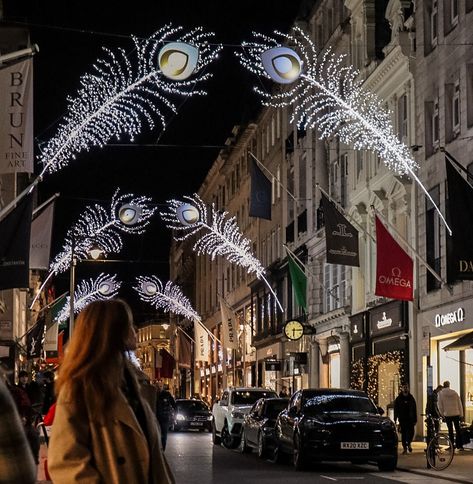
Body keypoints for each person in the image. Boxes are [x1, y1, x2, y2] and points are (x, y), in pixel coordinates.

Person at [48, 299, 175, 483]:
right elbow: (66, 462)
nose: (135, 331)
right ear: (111, 331)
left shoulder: (133, 383)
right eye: (129, 324)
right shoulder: (80, 388)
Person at [0, 372, 37, 484]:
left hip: (23, 421)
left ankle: (35, 458)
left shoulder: (16, 392)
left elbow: (27, 406)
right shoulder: (9, 392)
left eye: (26, 377)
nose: (24, 379)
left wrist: (24, 417)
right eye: (23, 377)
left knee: (33, 436)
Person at [438, 380, 464, 450]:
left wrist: (442, 414)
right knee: (458, 430)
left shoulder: (441, 394)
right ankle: (460, 445)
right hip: (456, 413)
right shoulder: (454, 393)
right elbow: (459, 404)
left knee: (450, 430)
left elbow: (440, 405)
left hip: (447, 414)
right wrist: (461, 414)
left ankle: (451, 445)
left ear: (443, 385)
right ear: (449, 385)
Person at [394, 383, 417, 454]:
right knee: (403, 434)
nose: (405, 388)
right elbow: (396, 409)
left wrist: (415, 419)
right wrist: (395, 418)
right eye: (404, 387)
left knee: (411, 433)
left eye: (406, 387)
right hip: (402, 418)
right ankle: (405, 448)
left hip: (410, 418)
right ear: (402, 389)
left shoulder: (411, 398)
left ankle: (409, 443)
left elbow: (414, 409)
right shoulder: (398, 399)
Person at [156, 379, 176, 451]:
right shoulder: (153, 394)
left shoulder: (167, 394)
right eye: (158, 386)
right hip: (155, 417)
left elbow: (174, 404)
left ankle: (162, 449)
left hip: (165, 417)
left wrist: (175, 414)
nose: (159, 387)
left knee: (164, 435)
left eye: (160, 386)